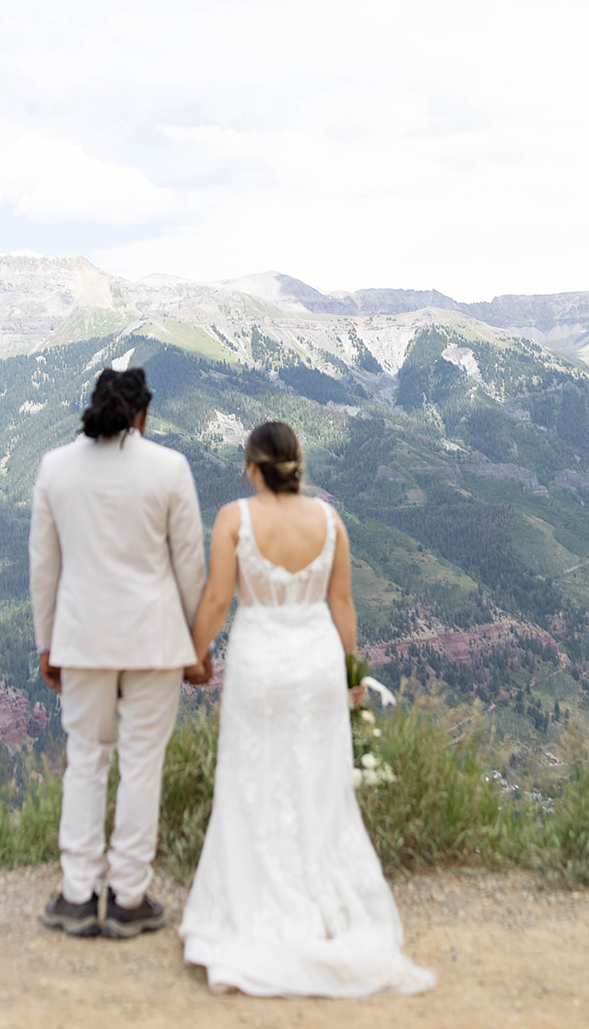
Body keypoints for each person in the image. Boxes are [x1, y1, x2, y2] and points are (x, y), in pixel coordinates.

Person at [179, 421, 435, 998]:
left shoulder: (233, 519)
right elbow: (341, 601)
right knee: (317, 779)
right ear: (297, 465)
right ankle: (327, 899)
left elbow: (218, 599)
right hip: (316, 660)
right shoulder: (329, 521)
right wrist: (352, 677)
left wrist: (192, 656)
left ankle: (256, 900)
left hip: (261, 662)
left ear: (251, 466)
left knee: (252, 776)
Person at [30, 366, 209, 940]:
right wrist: (197, 643)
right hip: (154, 638)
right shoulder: (169, 468)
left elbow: (44, 567)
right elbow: (189, 564)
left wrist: (46, 642)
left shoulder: (55, 467)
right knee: (141, 766)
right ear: (143, 414)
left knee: (86, 760)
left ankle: (77, 894)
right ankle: (129, 896)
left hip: (81, 637)